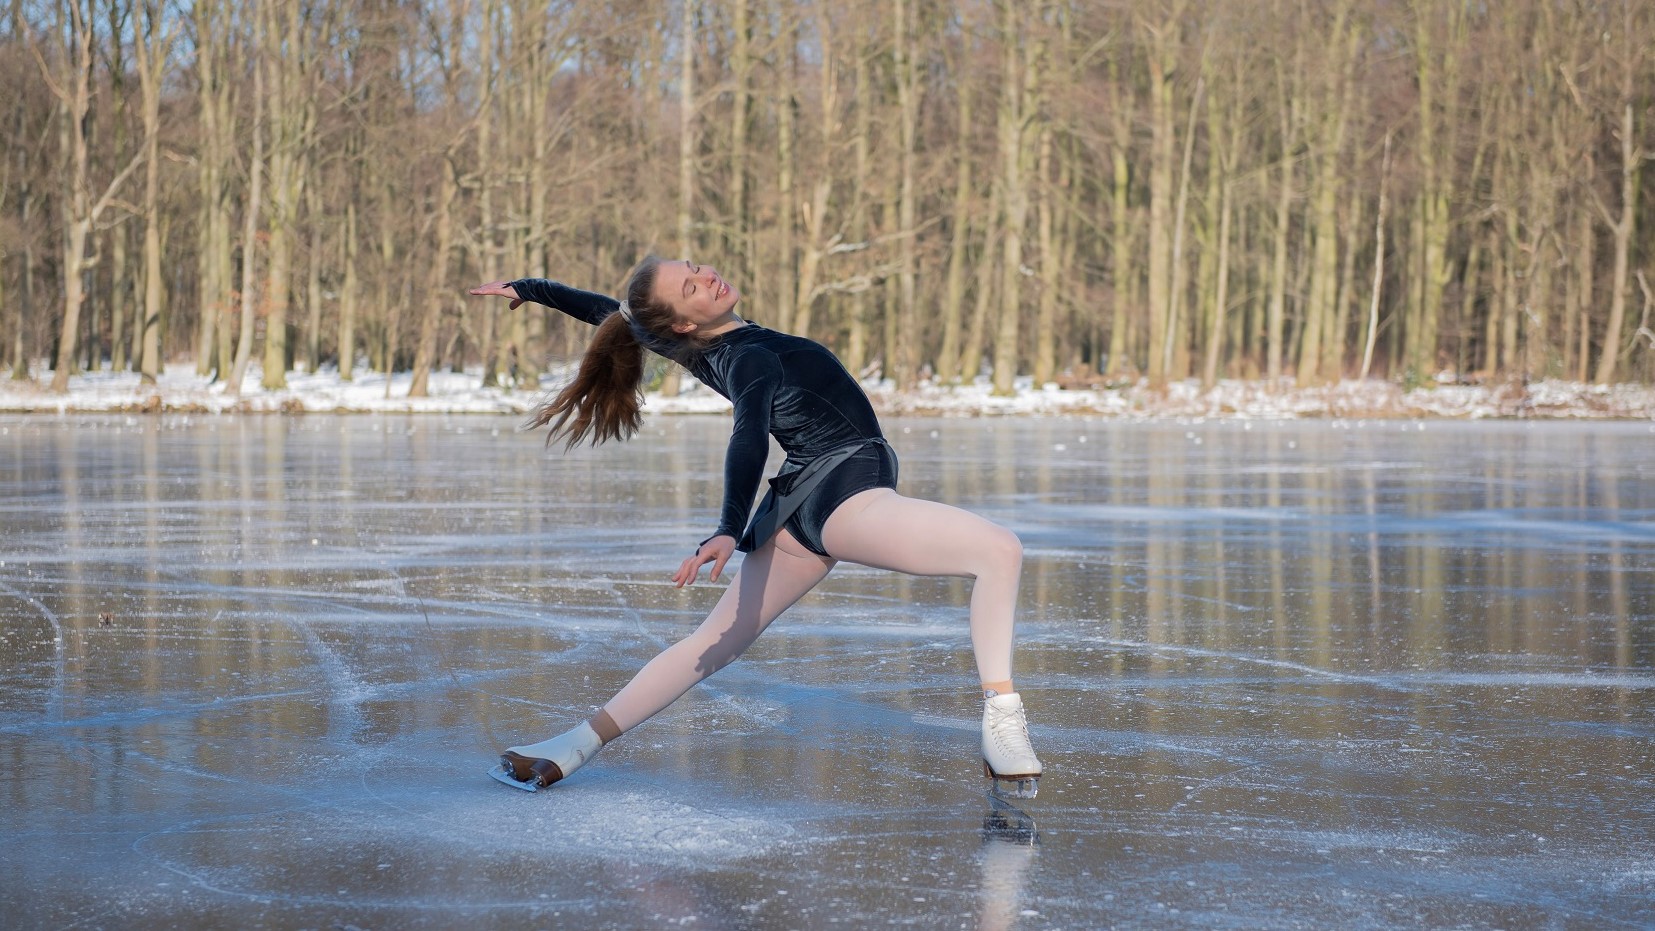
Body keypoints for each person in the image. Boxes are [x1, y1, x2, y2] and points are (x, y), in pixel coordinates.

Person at [468, 257, 1043, 798]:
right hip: (843, 494)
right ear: (687, 320)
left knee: (709, 647)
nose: (705, 276)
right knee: (998, 550)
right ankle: (1002, 718)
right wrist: (726, 525)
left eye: (694, 268)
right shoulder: (748, 357)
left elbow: (616, 314)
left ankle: (570, 747)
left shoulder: (695, 344)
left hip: (798, 513)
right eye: (691, 286)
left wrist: (534, 289)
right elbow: (748, 436)